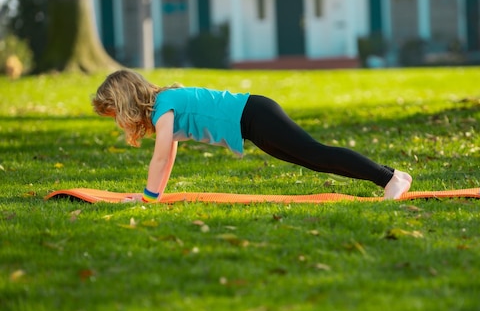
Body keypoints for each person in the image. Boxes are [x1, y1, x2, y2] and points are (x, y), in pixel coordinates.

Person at [91, 70, 412, 202]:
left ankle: (391, 178)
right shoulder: (165, 110)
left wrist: (146, 198)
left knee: (316, 153)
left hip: (256, 115)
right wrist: (154, 196)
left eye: (116, 114)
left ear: (127, 101)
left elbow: (159, 157)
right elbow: (168, 155)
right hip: (253, 123)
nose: (119, 122)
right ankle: (387, 179)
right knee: (314, 159)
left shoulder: (164, 106)